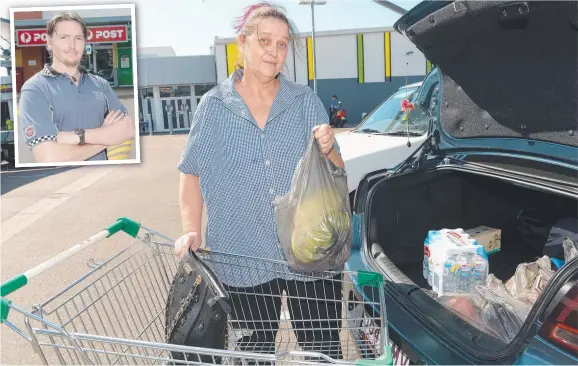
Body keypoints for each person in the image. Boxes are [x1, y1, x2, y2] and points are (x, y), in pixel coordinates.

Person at [175, 2, 346, 361]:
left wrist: (330, 148)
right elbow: (191, 171)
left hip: (308, 254)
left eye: (283, 44)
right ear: (244, 43)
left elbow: (335, 171)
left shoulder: (304, 102)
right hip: (242, 256)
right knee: (253, 354)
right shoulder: (214, 106)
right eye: (265, 40)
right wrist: (191, 229)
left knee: (324, 350)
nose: (274, 51)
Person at [18, 11, 135, 163]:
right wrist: (106, 136)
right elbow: (48, 156)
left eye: (78, 38)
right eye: (64, 37)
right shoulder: (35, 89)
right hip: (63, 183)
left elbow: (128, 129)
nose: (72, 45)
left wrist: (79, 136)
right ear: (49, 41)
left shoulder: (101, 84)